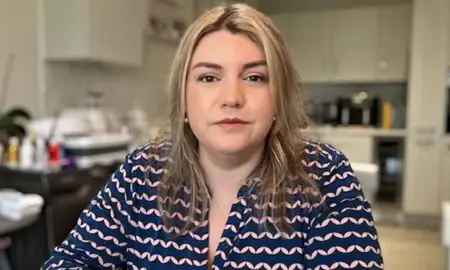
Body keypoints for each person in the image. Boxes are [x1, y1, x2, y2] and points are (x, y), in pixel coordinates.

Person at [42, 3, 384, 269]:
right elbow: (70, 261)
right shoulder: (141, 173)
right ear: (184, 97)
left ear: (278, 97)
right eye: (208, 78)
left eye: (254, 78)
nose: (231, 97)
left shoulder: (324, 176)